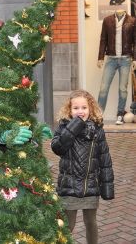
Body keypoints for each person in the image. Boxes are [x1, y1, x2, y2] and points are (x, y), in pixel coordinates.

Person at [51, 89, 114, 244]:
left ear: (90, 109)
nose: (80, 111)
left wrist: (107, 187)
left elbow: (104, 160)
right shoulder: (63, 127)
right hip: (69, 186)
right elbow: (57, 148)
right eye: (76, 108)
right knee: (67, 225)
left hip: (91, 186)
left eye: (84, 108)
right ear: (69, 110)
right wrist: (73, 128)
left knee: (91, 223)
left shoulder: (97, 130)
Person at [97, 10, 136, 125]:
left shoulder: (132, 21)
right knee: (103, 88)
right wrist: (100, 57)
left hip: (125, 59)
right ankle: (98, 115)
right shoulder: (107, 20)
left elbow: (135, 41)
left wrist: (134, 58)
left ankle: (120, 114)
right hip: (111, 59)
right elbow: (103, 39)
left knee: (123, 89)